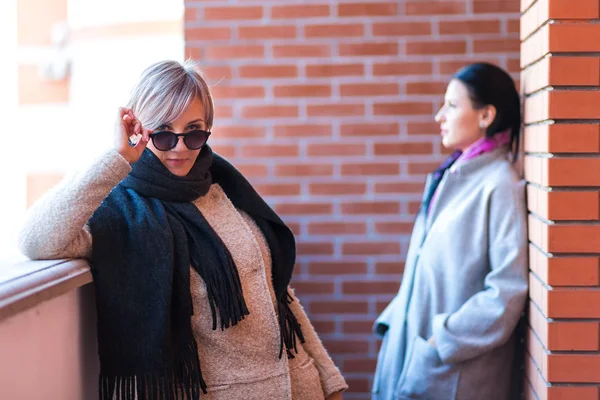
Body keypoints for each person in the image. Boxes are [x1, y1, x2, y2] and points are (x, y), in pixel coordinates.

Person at [18, 60, 347, 400]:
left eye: (194, 132)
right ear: (139, 129)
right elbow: (35, 239)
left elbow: (279, 294)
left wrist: (328, 380)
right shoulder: (119, 212)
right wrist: (116, 156)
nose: (180, 147)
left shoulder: (225, 188)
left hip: (300, 387)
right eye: (162, 133)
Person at [371, 62, 528, 400]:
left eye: (452, 105)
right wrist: (396, 321)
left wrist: (440, 339)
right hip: (413, 353)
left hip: (452, 371)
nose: (439, 116)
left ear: (486, 116)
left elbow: (506, 291)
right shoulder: (452, 175)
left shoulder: (499, 185)